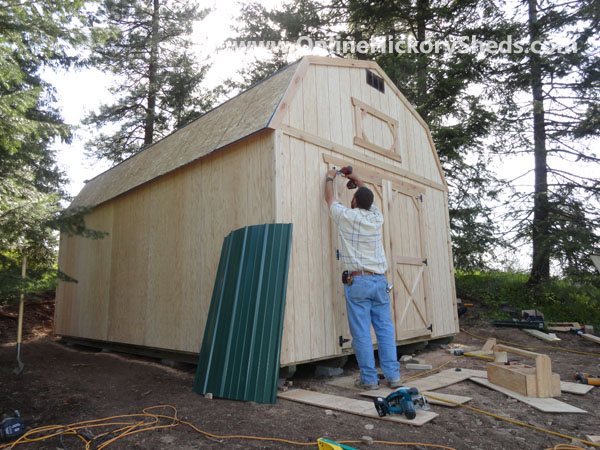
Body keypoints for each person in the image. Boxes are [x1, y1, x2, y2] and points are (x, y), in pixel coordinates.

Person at [324, 168, 401, 390]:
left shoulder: (347, 216)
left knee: (361, 333)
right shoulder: (377, 217)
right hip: (379, 282)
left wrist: (330, 177)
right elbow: (366, 196)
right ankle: (393, 377)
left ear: (354, 201)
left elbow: (329, 198)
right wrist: (357, 180)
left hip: (358, 282)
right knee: (385, 329)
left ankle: (369, 380)